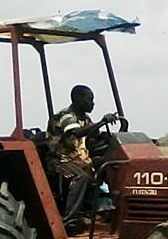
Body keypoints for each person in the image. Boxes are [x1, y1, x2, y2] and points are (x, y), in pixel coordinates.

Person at [48, 85, 119, 225]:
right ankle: (69, 219)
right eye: (90, 100)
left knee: (110, 165)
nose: (93, 103)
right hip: (59, 161)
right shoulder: (66, 116)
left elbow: (93, 135)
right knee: (80, 177)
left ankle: (109, 208)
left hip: (80, 160)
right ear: (78, 99)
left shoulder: (85, 118)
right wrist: (102, 121)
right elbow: (77, 132)